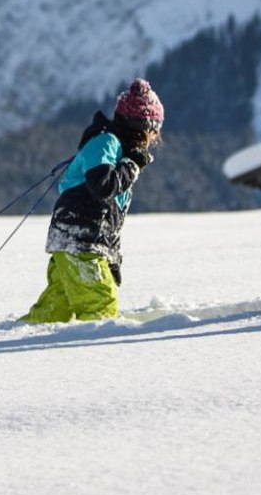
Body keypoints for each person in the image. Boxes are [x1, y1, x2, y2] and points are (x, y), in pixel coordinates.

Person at [21, 79, 164, 323]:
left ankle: (18, 342)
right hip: (79, 241)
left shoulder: (117, 152)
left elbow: (110, 220)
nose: (153, 139)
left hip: (77, 242)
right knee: (101, 306)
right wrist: (131, 166)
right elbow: (102, 186)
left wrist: (111, 259)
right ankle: (98, 356)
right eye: (153, 131)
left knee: (53, 313)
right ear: (141, 127)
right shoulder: (105, 143)